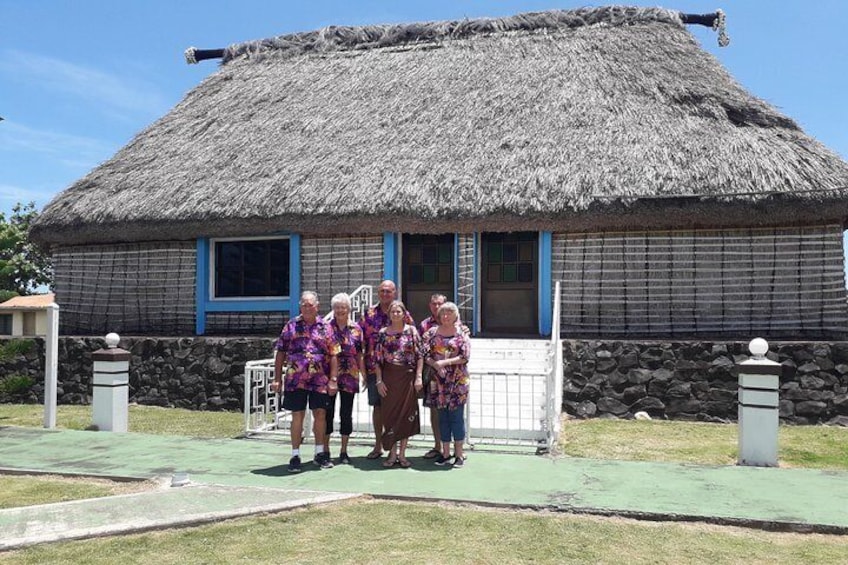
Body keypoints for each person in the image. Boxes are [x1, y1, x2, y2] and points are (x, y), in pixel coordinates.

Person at [271, 291, 338, 472]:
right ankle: (295, 455)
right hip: (296, 379)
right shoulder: (291, 325)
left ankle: (319, 453)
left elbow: (334, 354)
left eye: (311, 305)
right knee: (297, 416)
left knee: (320, 414)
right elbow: (280, 353)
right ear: (300, 306)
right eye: (304, 305)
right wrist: (277, 379)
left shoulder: (326, 327)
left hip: (319, 379)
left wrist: (333, 379)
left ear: (317, 306)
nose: (308, 308)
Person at [358, 280, 414, 459]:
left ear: (395, 293)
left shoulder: (403, 313)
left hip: (399, 373)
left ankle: (397, 449)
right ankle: (378, 445)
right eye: (382, 291)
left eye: (388, 291)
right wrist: (363, 371)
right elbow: (360, 341)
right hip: (375, 369)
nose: (385, 294)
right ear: (378, 293)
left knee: (398, 408)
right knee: (378, 407)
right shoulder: (369, 314)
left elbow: (415, 336)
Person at [419, 294, 470, 459]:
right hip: (438, 382)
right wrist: (435, 364)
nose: (446, 316)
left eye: (450, 313)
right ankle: (445, 452)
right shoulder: (431, 332)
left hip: (457, 381)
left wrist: (444, 363)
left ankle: (459, 454)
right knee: (442, 418)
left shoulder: (461, 332)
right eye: (443, 313)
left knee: (456, 417)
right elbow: (423, 353)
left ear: (456, 316)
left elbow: (465, 356)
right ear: (439, 316)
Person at [374, 300, 424, 467]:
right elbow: (377, 360)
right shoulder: (382, 333)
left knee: (405, 416)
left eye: (398, 312)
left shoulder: (411, 331)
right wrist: (379, 381)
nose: (396, 314)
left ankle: (402, 454)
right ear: (389, 314)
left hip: (407, 379)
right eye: (393, 312)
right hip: (389, 379)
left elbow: (420, 356)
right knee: (390, 416)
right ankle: (392, 453)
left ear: (404, 314)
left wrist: (418, 377)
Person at [323, 293, 364, 465]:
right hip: (329, 375)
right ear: (333, 309)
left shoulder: (356, 329)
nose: (340, 310)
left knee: (346, 413)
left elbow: (360, 353)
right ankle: (325, 450)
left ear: (349, 309)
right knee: (327, 413)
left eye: (343, 307)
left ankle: (344, 450)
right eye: (337, 307)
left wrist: (364, 374)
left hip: (349, 375)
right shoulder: (325, 327)